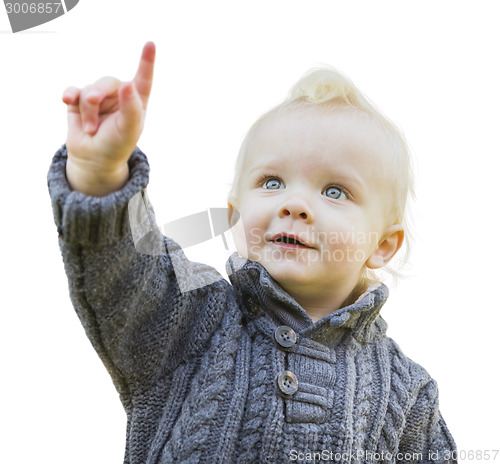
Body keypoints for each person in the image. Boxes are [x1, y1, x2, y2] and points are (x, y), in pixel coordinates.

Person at [47, 41, 457, 463]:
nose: (294, 204)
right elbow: (124, 275)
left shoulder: (408, 395)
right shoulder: (193, 319)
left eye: (335, 191)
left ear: (383, 245)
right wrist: (99, 173)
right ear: (235, 216)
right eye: (273, 182)